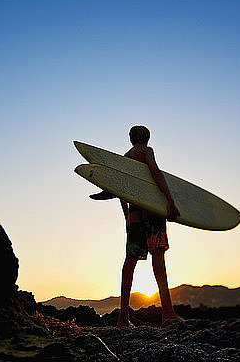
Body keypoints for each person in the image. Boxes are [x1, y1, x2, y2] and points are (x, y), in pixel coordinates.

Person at [91, 125, 184, 327]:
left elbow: (120, 189)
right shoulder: (145, 151)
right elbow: (156, 172)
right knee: (158, 260)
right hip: (151, 208)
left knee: (130, 262)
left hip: (134, 213)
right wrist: (170, 200)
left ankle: (122, 318)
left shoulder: (126, 157)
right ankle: (167, 313)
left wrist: (126, 215)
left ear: (130, 138)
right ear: (147, 138)